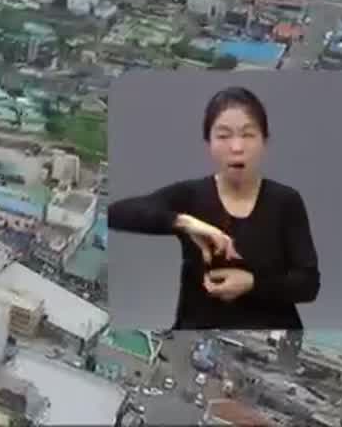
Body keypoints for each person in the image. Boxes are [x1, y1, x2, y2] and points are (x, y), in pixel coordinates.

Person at [106, 85, 319, 330]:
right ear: (208, 143)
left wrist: (252, 283)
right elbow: (118, 213)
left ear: (265, 142)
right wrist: (184, 223)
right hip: (196, 338)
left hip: (268, 344)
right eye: (223, 135)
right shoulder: (191, 196)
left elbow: (308, 284)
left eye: (248, 135)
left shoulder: (286, 202)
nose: (236, 147)